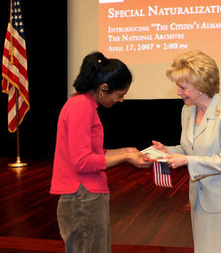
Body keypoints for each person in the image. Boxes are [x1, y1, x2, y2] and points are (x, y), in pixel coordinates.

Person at [151, 51, 221, 253]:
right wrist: (167, 150)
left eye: (183, 87)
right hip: (201, 198)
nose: (178, 92)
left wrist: (186, 160)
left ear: (201, 85)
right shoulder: (187, 110)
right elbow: (190, 148)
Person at [50, 52, 151, 253]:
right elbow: (82, 161)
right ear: (104, 89)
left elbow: (92, 152)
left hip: (85, 194)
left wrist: (125, 151)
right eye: (120, 95)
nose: (121, 100)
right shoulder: (81, 107)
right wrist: (125, 157)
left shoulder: (84, 104)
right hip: (82, 196)